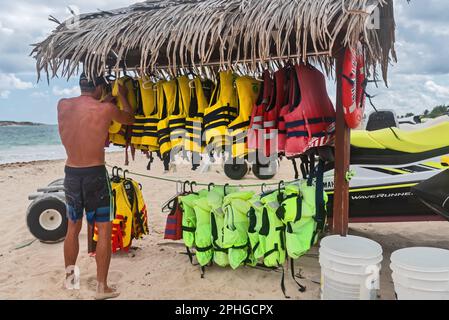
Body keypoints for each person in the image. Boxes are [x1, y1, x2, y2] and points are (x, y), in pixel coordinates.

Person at [57, 73, 134, 300]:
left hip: (71, 173)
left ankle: (70, 280)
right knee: (104, 230)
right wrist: (123, 96)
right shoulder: (106, 110)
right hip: (95, 175)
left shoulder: (62, 105)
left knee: (72, 227)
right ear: (100, 87)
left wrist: (103, 100)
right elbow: (130, 118)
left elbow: (84, 113)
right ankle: (102, 287)